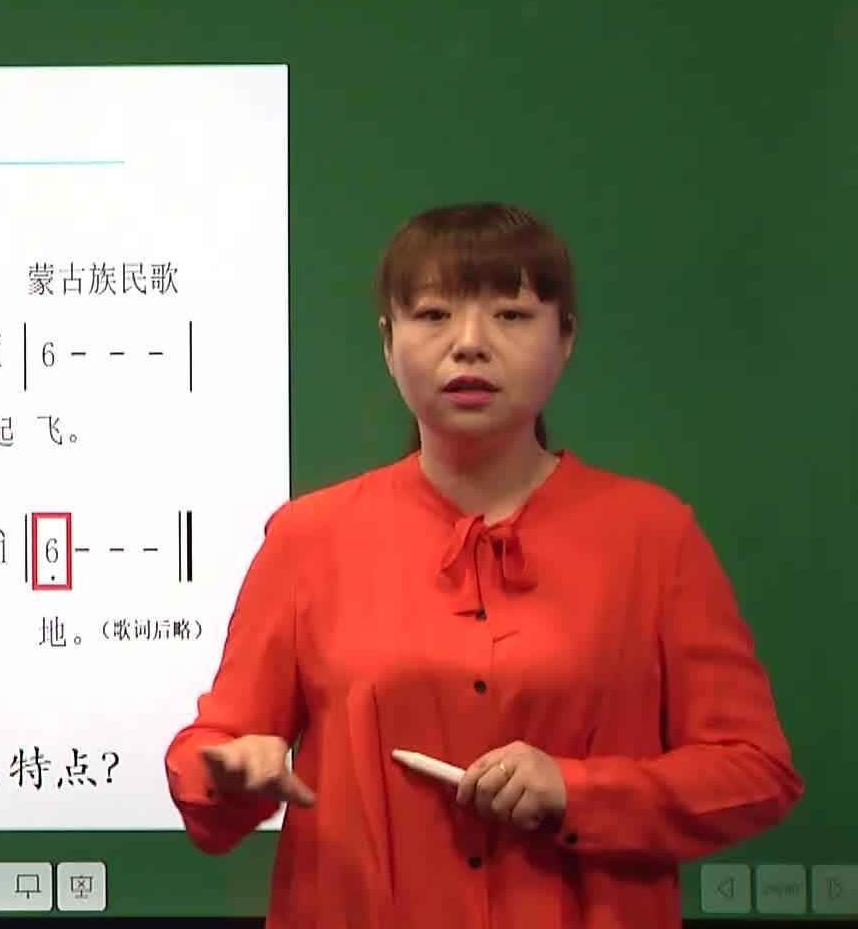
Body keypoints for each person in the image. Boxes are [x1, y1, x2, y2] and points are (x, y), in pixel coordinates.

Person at [163, 202, 803, 928]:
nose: (469, 345)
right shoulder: (309, 537)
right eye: (434, 315)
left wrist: (577, 792)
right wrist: (229, 771)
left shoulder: (654, 535)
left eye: (510, 315)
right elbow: (211, 754)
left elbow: (755, 770)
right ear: (388, 342)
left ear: (566, 338)